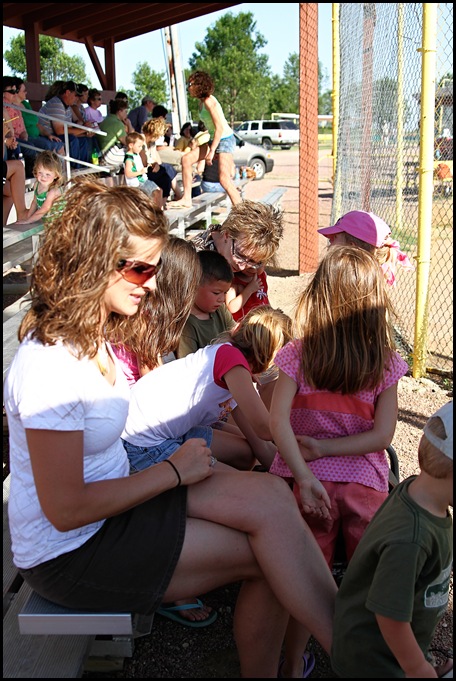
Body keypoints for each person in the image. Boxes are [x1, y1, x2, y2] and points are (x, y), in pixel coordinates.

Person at [3, 176, 337, 679]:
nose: (154, 283)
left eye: (155, 269)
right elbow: (66, 509)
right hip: (72, 552)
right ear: (94, 262)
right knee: (274, 556)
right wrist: (173, 472)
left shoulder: (94, 333)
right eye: (141, 269)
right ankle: (365, 658)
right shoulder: (50, 366)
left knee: (274, 500)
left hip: (119, 501)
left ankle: (362, 649)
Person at [269, 245, 409, 679]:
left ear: (319, 295)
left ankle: (293, 664)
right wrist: (330, 449)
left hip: (305, 481)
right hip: (364, 484)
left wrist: (306, 465)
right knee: (371, 580)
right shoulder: (385, 363)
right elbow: (382, 437)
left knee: (307, 581)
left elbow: (276, 422)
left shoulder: (296, 354)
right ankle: (378, 661)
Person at [331, 401, 453, 679]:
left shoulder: (416, 491)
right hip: (375, 661)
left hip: (395, 651)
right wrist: (417, 668)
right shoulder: (411, 538)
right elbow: (390, 617)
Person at [122, 304, 292, 472]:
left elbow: (260, 442)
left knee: (246, 455)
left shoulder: (230, 361)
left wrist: (293, 473)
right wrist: (298, 443)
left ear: (238, 328)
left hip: (160, 429)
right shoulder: (233, 362)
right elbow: (265, 429)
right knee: (246, 484)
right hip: (141, 442)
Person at [191, 199, 282, 322]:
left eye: (253, 262)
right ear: (227, 235)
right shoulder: (195, 259)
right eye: (240, 255)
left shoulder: (238, 252)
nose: (243, 267)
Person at [172, 71, 241, 208]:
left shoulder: (209, 102)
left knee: (224, 179)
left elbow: (220, 128)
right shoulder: (202, 102)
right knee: (186, 160)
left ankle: (243, 211)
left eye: (190, 84)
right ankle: (186, 199)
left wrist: (212, 151)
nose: (188, 87)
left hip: (225, 139)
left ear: (199, 85)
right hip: (215, 139)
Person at [317, 210, 414, 287]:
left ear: (352, 248)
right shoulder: (372, 279)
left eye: (335, 237)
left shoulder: (341, 279)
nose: (330, 241)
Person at [176, 249, 235, 359]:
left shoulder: (220, 309)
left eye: (225, 293)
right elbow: (188, 364)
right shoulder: (187, 325)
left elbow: (236, 335)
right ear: (194, 286)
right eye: (216, 293)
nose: (222, 299)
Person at [38, 80, 93, 166]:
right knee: (72, 139)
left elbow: (70, 128)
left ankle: (83, 167)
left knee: (84, 139)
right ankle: (75, 168)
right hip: (47, 135)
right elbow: (60, 131)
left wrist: (85, 132)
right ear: (67, 93)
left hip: (57, 135)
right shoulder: (56, 104)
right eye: (75, 95)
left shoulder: (67, 106)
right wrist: (84, 130)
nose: (77, 98)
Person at [141, 117, 182, 208]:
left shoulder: (151, 142)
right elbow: (143, 162)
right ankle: (177, 196)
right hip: (142, 171)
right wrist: (154, 164)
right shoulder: (141, 142)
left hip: (150, 168)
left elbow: (156, 158)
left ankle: (163, 204)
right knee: (166, 171)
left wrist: (156, 164)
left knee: (166, 174)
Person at [15, 150, 64, 225]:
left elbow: (44, 209)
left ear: (56, 175)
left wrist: (28, 221)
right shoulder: (37, 185)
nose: (43, 177)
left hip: (59, 224)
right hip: (47, 221)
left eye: (48, 174)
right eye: (40, 173)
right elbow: (34, 202)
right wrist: (28, 218)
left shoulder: (53, 191)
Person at [123, 131, 161, 205]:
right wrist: (140, 172)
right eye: (139, 146)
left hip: (142, 180)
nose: (141, 148)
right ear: (131, 145)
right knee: (156, 192)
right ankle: (156, 210)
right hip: (138, 183)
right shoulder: (129, 158)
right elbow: (128, 173)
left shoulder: (136, 154)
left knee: (157, 192)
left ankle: (156, 209)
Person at [98, 98, 129, 169]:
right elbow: (128, 142)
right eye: (125, 111)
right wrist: (129, 125)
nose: (126, 114)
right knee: (136, 150)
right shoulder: (117, 124)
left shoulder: (106, 120)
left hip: (103, 154)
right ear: (119, 111)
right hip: (111, 155)